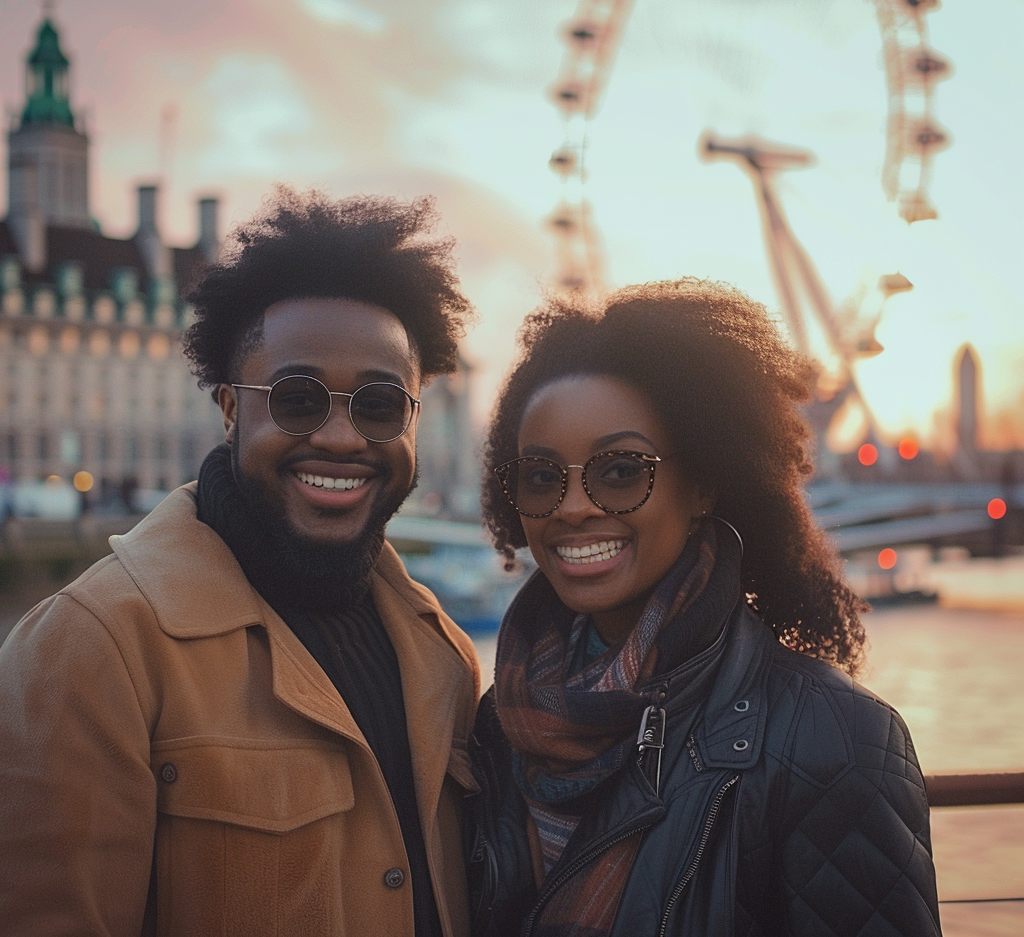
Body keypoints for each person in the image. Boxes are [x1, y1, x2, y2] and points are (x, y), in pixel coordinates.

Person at [0, 189, 481, 936]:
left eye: (381, 405)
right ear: (229, 408)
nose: (344, 438)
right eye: (297, 399)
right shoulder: (92, 649)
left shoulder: (444, 653)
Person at [468, 279, 942, 937]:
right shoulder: (497, 728)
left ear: (704, 488)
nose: (573, 507)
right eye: (544, 477)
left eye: (620, 470)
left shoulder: (835, 740)